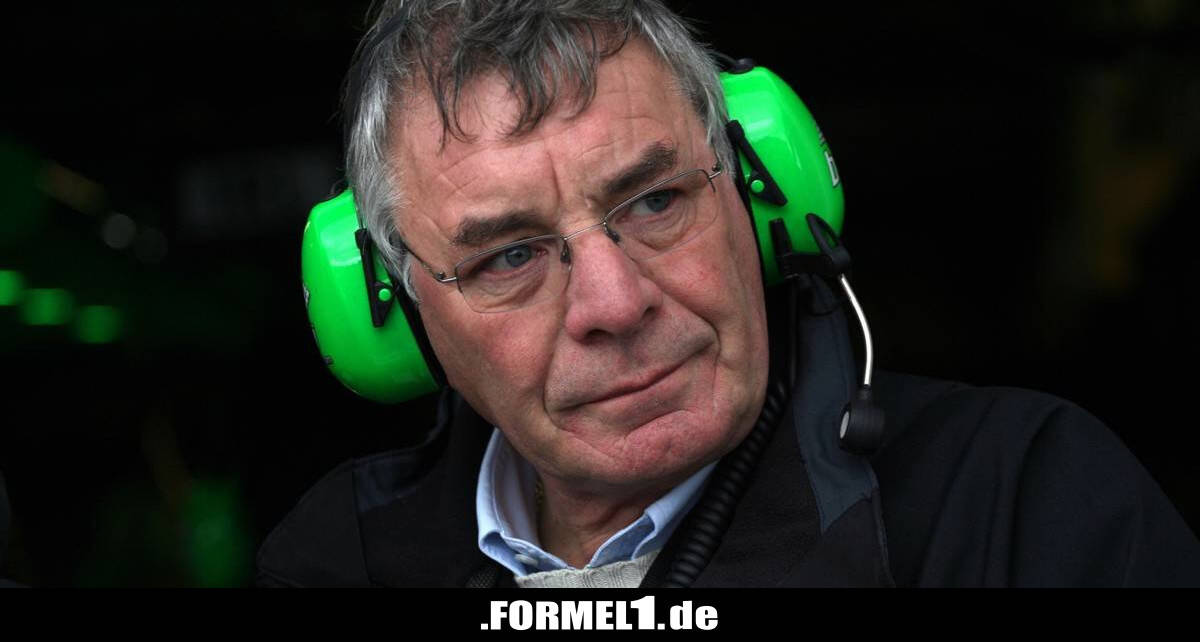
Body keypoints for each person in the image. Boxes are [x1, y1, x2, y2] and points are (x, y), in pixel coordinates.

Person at [257, 0, 1200, 587]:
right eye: (509, 258)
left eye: (656, 200)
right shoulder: (335, 564)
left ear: (764, 193)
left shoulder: (1023, 504)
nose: (615, 304)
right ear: (397, 310)